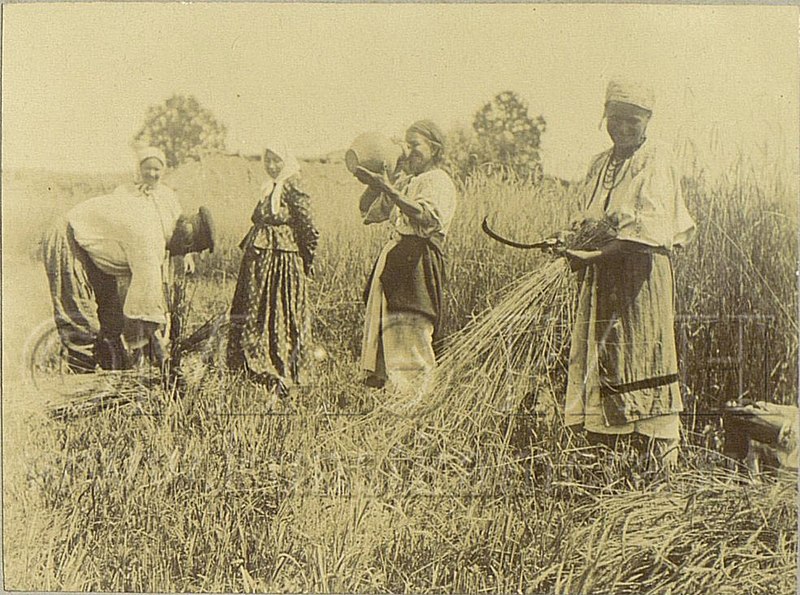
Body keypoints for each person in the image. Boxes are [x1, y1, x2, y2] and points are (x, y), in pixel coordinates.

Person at [561, 80, 696, 473]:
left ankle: (660, 471)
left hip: (639, 276)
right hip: (601, 275)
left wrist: (595, 253)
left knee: (642, 359)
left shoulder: (656, 159)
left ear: (648, 120)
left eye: (631, 120)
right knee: (604, 359)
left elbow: (648, 229)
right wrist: (572, 239)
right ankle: (610, 465)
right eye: (614, 118)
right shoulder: (599, 163)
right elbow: (591, 215)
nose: (621, 127)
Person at [43, 146, 204, 371]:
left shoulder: (163, 219)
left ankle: (112, 371)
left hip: (97, 247)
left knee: (112, 317)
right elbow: (144, 307)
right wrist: (159, 350)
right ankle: (80, 383)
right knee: (81, 319)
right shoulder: (149, 238)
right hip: (69, 235)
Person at [355, 120, 458, 394]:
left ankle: (417, 409)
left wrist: (389, 189)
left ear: (434, 149)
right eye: (406, 144)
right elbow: (368, 212)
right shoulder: (409, 181)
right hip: (399, 264)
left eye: (415, 145)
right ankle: (397, 407)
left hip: (418, 265)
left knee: (412, 339)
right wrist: (380, 177)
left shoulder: (439, 180)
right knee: (392, 339)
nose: (408, 151)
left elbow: (426, 217)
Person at [227, 142, 319, 395]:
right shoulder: (269, 188)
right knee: (256, 308)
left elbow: (309, 228)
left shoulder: (293, 184)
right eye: (268, 160)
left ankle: (282, 365)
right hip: (259, 261)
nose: (271, 165)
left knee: (280, 309)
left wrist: (305, 261)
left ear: (286, 161)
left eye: (277, 160)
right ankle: (250, 361)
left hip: (282, 262)